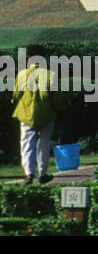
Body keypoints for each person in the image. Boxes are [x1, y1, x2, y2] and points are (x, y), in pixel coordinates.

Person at [12, 49, 60, 185]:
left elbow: (16, 95)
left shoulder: (22, 75)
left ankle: (29, 174)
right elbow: (55, 96)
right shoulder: (50, 74)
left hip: (26, 114)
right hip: (46, 114)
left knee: (27, 143)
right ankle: (43, 173)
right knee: (44, 144)